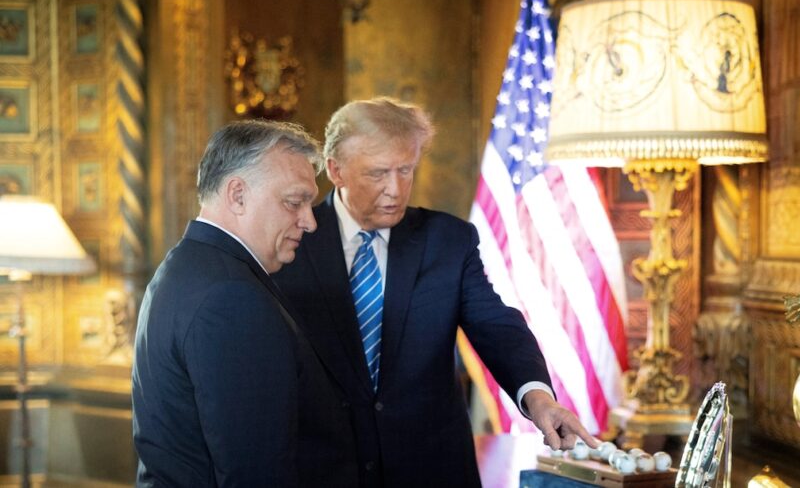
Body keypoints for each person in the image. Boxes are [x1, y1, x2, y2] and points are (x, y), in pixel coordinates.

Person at [272, 97, 598, 488]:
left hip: (432, 468)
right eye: (378, 173)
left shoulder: (448, 240)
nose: (395, 189)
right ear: (335, 171)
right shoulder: (289, 242)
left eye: (406, 170)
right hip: (323, 471)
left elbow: (497, 325)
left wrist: (538, 398)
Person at [132, 120, 356, 487]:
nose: (310, 222)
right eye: (294, 202)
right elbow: (256, 474)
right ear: (237, 195)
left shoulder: (186, 267)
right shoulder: (231, 298)